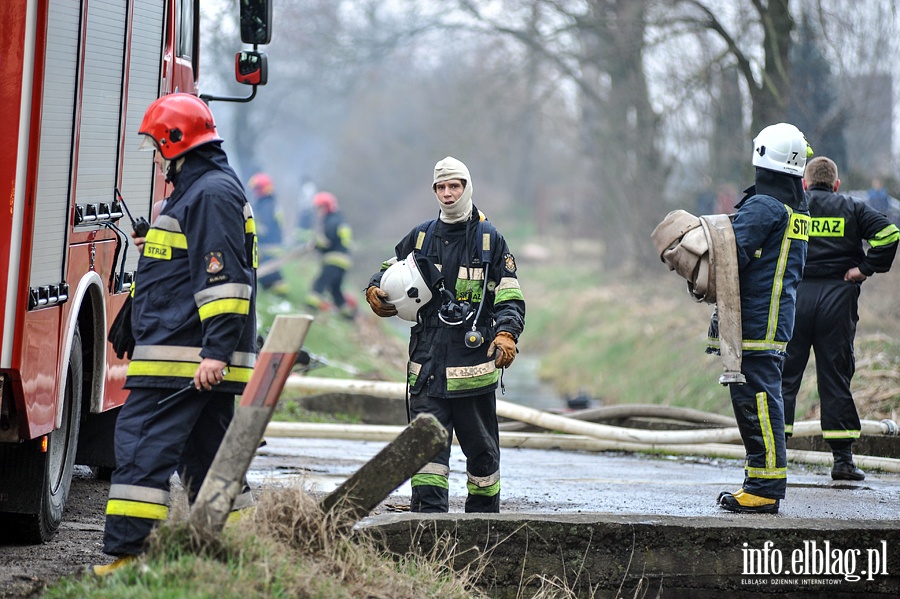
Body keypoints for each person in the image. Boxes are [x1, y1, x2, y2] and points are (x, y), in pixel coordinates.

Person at [94, 93, 257, 574]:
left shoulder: (209, 194)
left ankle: (129, 556)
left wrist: (216, 352)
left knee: (141, 444)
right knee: (209, 457)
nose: (154, 152)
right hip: (189, 353)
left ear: (175, 139)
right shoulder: (201, 189)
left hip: (185, 359)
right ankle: (236, 551)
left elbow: (224, 279)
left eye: (155, 143)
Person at [364, 156, 525, 513]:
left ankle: (484, 531)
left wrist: (507, 335)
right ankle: (427, 531)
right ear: (434, 191)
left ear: (467, 187)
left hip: (473, 370)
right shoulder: (421, 236)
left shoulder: (489, 240)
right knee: (426, 455)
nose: (448, 193)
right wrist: (374, 289)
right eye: (441, 187)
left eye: (455, 185)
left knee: (482, 455)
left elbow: (509, 295)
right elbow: (389, 269)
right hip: (427, 367)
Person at [708, 123, 812, 514]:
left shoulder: (766, 206)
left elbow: (729, 253)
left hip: (756, 320)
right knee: (761, 399)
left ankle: (764, 489)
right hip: (773, 317)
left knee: (758, 402)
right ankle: (759, 480)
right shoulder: (793, 205)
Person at [782, 157, 899, 481]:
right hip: (838, 299)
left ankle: (772, 458)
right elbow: (889, 234)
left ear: (805, 183)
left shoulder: (794, 206)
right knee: (835, 377)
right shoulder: (852, 206)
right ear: (835, 184)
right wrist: (863, 269)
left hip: (796, 299)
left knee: (785, 377)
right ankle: (843, 462)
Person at [306, 191, 356, 319]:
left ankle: (310, 307)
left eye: (319, 208)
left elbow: (326, 241)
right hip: (344, 261)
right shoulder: (340, 220)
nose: (318, 212)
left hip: (334, 259)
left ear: (326, 207)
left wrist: (315, 244)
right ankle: (347, 314)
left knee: (320, 283)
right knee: (335, 289)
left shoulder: (331, 221)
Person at [248, 172, 289, 295]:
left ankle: (281, 291)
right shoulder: (271, 204)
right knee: (266, 274)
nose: (255, 192)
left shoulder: (266, 205)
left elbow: (263, 227)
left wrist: (251, 231)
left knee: (270, 272)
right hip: (272, 245)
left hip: (268, 247)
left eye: (257, 189)